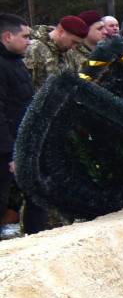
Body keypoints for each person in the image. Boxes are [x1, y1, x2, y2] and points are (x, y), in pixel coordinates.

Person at [0, 14, 33, 237]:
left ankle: (35, 241)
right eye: (25, 36)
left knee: (36, 196)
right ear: (8, 36)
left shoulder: (16, 63)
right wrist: (10, 152)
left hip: (22, 142)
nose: (30, 42)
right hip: (7, 148)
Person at [24, 15, 86, 92]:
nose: (74, 47)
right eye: (73, 42)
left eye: (77, 44)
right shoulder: (34, 49)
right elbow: (25, 87)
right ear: (60, 32)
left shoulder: (68, 53)